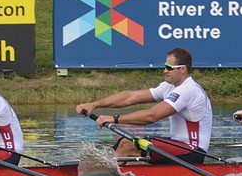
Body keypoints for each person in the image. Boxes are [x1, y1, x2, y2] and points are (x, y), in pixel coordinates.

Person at [75, 47, 212, 164]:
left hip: (192, 150)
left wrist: (114, 118)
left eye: (169, 67)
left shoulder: (188, 90)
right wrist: (95, 104)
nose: (165, 70)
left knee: (128, 145)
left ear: (182, 69)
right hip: (177, 146)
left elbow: (152, 116)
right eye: (165, 66)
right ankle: (115, 175)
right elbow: (129, 97)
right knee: (124, 142)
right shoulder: (168, 87)